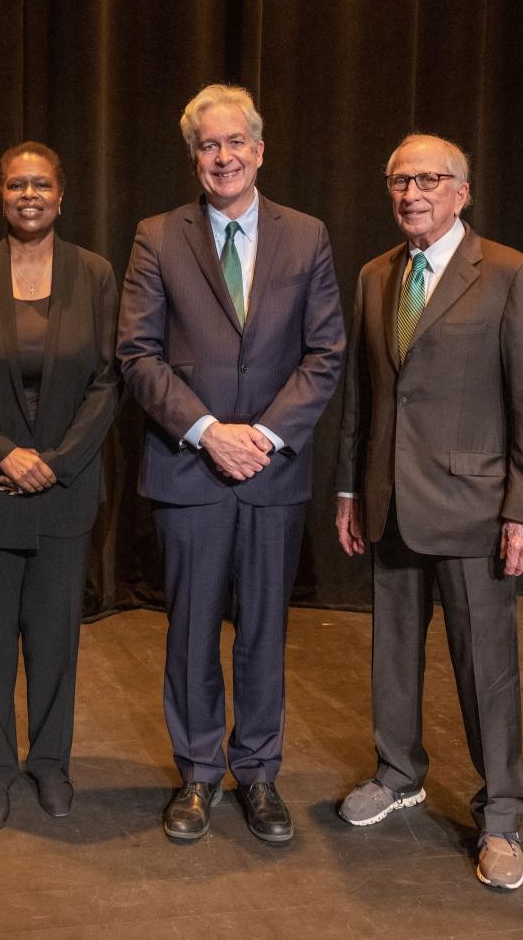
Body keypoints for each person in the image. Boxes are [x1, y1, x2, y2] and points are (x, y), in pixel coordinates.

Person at [118, 84, 345, 844]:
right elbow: (137, 355)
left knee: (262, 636)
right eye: (208, 146)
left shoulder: (306, 235)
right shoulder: (158, 235)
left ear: (259, 148)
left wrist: (267, 437)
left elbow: (325, 352)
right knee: (189, 635)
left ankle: (258, 774)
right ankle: (197, 775)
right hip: (191, 471)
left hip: (272, 475)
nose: (223, 157)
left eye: (234, 143)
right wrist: (209, 431)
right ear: (195, 158)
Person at [333, 134, 523, 888]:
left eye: (429, 179)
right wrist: (348, 491)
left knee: (485, 671)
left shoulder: (509, 274)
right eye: (399, 179)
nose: (411, 193)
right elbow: (362, 395)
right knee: (391, 655)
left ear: (463, 191)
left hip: (475, 509)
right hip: (389, 501)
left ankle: (501, 818)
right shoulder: (373, 275)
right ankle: (399, 775)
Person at [0, 141, 119, 829]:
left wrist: (57, 462)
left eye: (40, 184)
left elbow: (109, 378)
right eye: (15, 185)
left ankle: (51, 764)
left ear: (61, 197)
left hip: (65, 492)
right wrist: (3, 453)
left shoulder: (94, 275)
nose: (28, 195)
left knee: (56, 640)